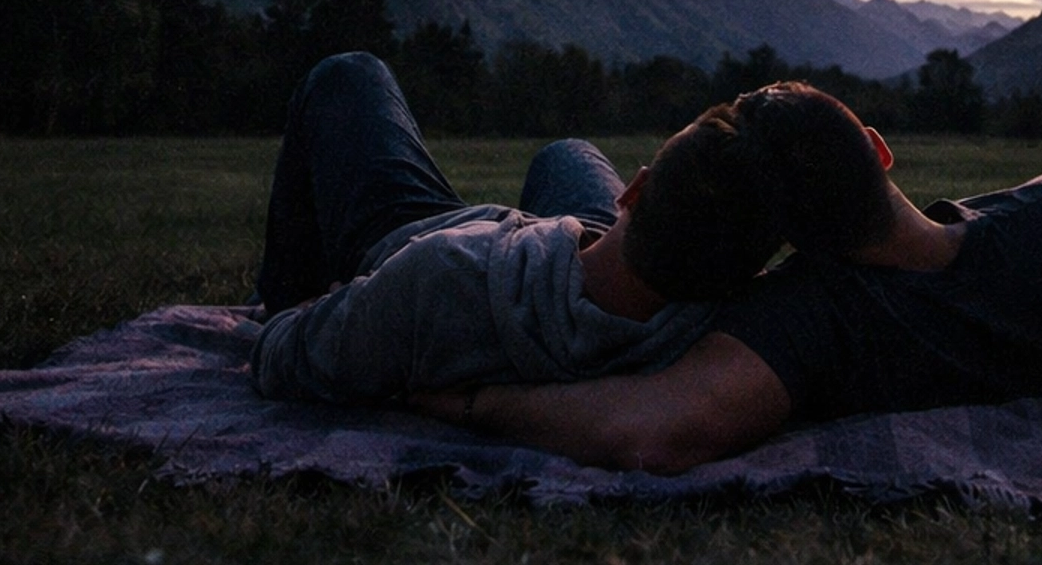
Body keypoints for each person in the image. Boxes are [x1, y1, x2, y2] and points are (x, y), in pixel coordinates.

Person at [417, 82, 1042, 470]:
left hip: (554, 271)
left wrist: (473, 404)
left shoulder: (813, 315)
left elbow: (652, 429)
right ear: (881, 152)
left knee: (567, 160)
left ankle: (482, 245)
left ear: (783, 243)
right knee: (570, 172)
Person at [249, 51, 785, 406]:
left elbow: (280, 358)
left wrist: (303, 314)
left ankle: (285, 289)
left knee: (348, 74)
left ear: (635, 191)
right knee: (568, 154)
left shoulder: (438, 276)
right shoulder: (722, 329)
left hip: (422, 236)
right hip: (605, 275)